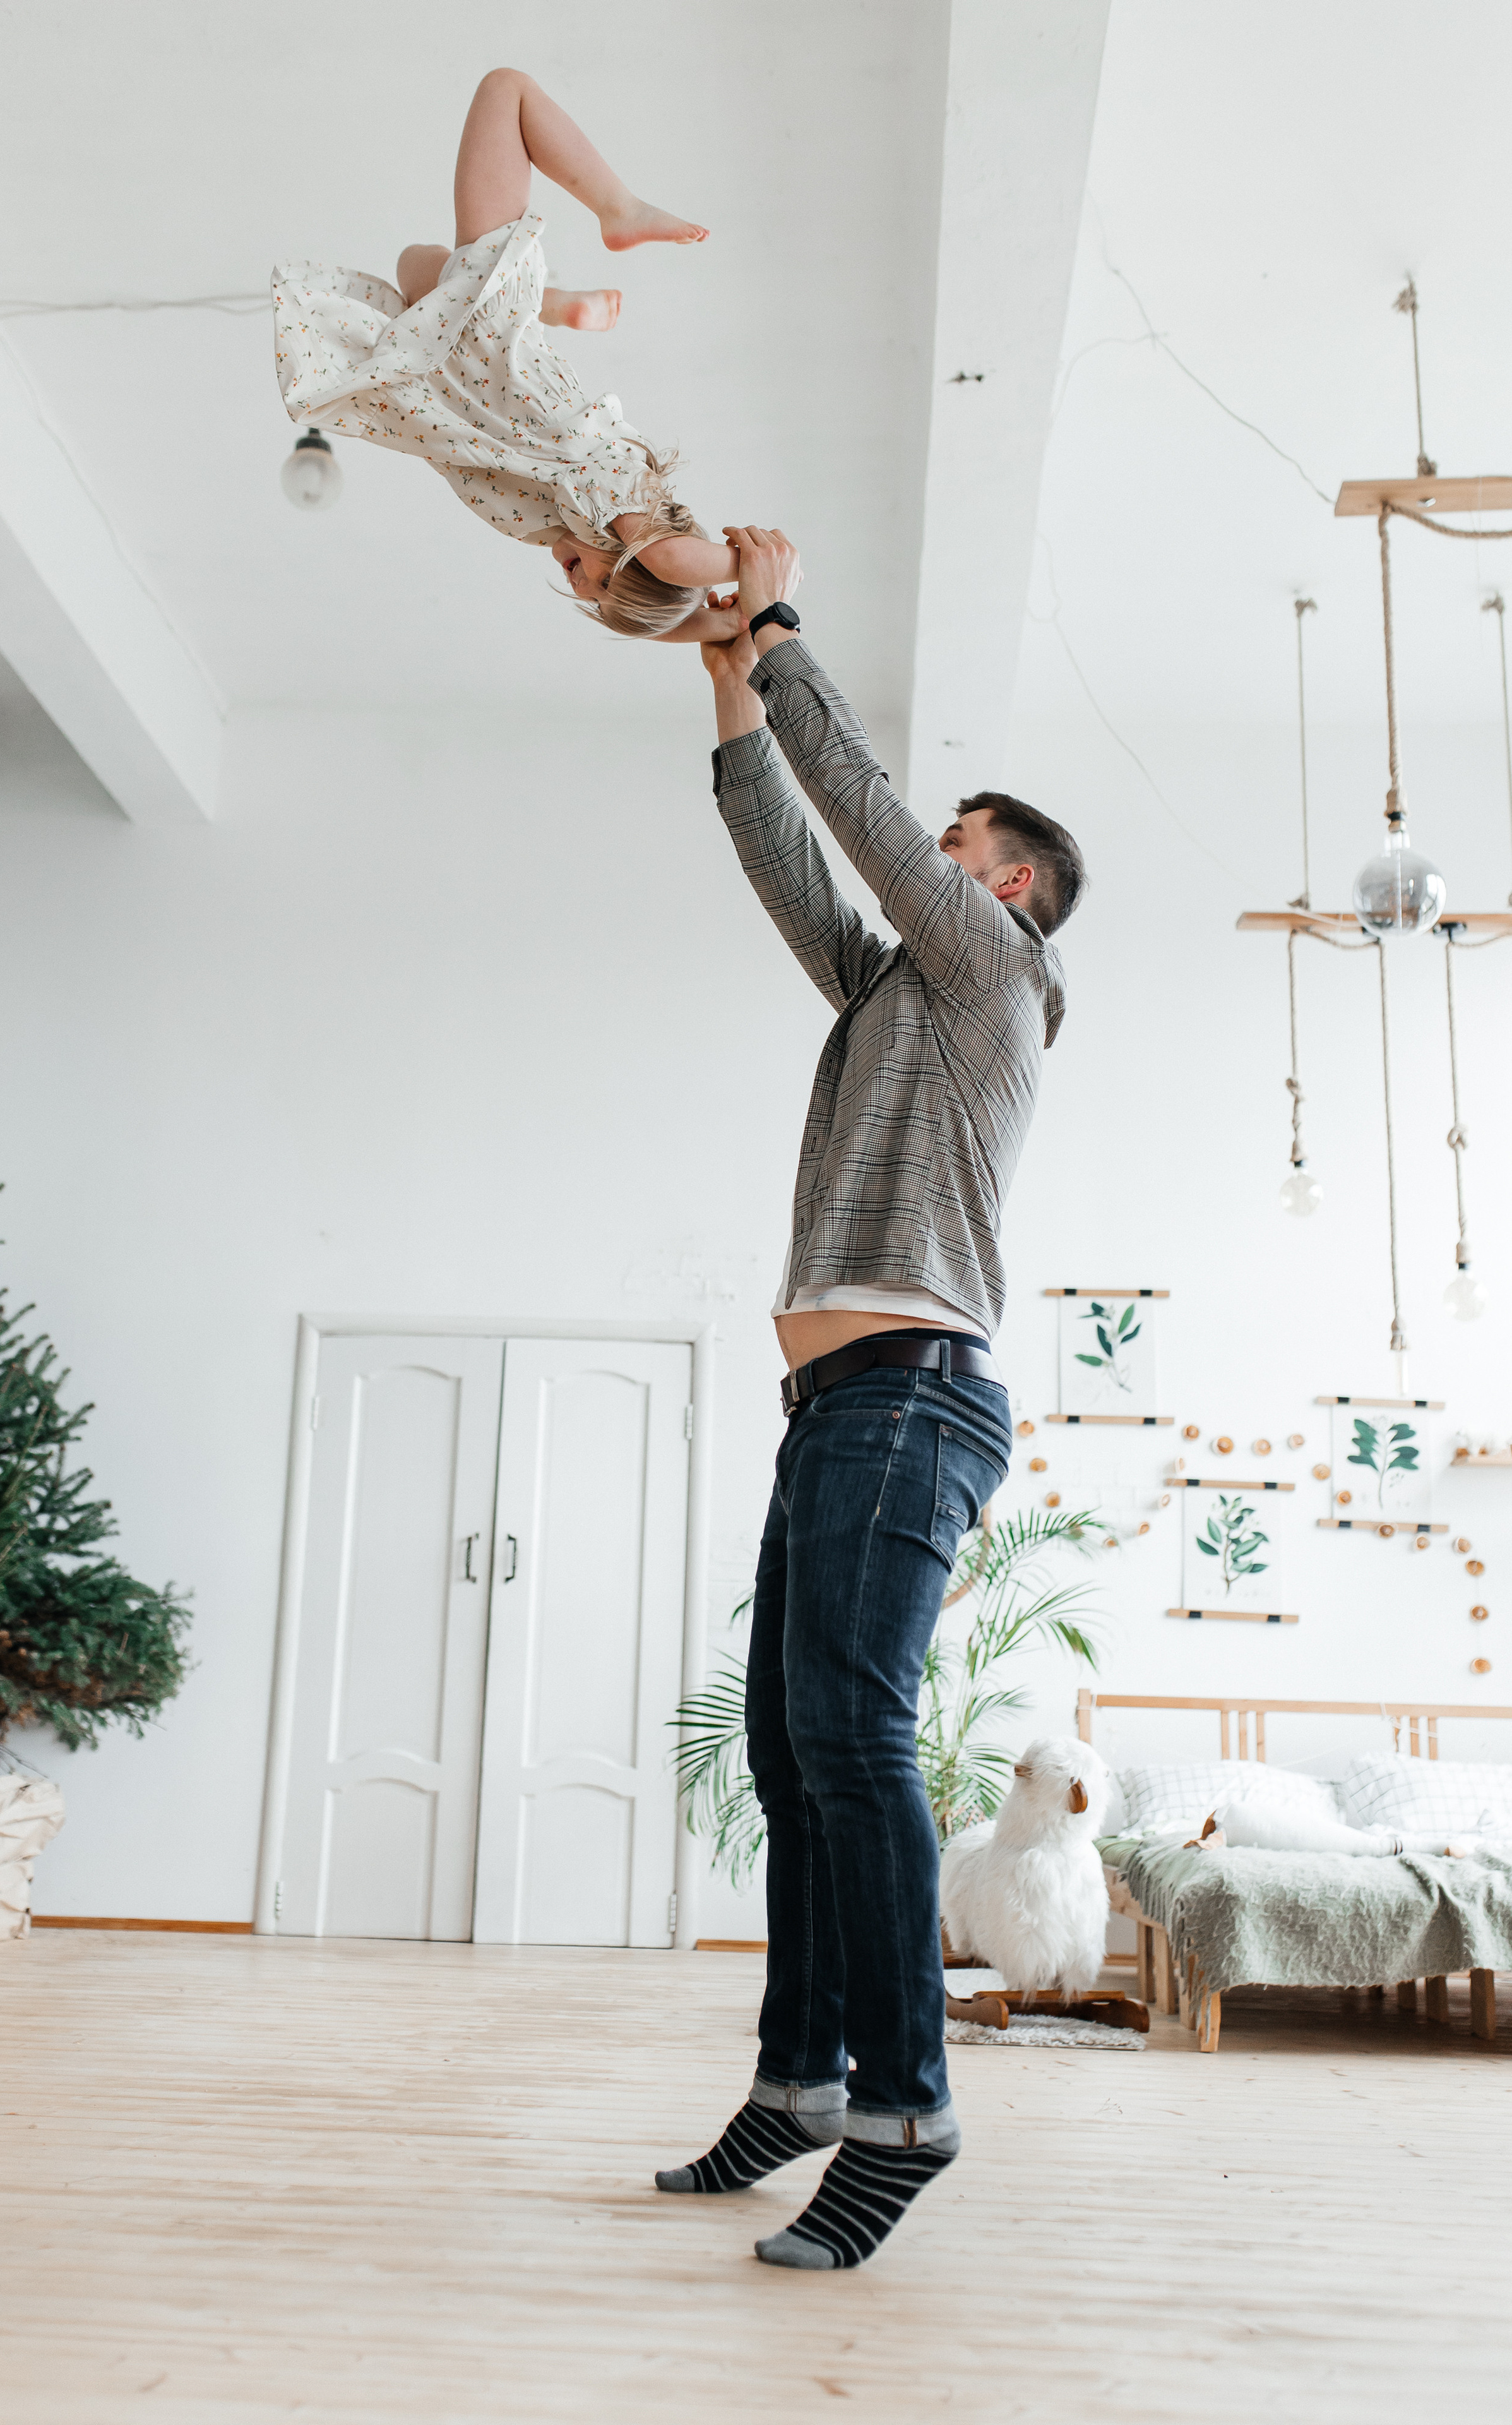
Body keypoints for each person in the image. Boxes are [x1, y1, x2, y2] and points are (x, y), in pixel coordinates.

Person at [656, 527, 1085, 2270]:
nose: (933, 867)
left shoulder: (998, 983)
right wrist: (727, 693)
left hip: (913, 1395)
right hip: (843, 1408)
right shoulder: (893, 998)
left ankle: (904, 2107)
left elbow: (874, 839)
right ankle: (805, 2077)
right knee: (790, 1750)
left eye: (960, 855)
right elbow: (795, 867)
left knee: (847, 1741)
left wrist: (784, 636)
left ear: (1006, 896)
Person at [272, 68, 742, 642]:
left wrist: (717, 624)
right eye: (604, 585)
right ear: (633, 544)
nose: (582, 590)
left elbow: (656, 604)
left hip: (444, 364)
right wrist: (757, 573)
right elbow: (672, 565)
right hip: (485, 342)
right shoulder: (604, 489)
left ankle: (547, 305)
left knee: (415, 264)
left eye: (592, 602)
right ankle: (618, 211)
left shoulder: (550, 526)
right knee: (506, 91)